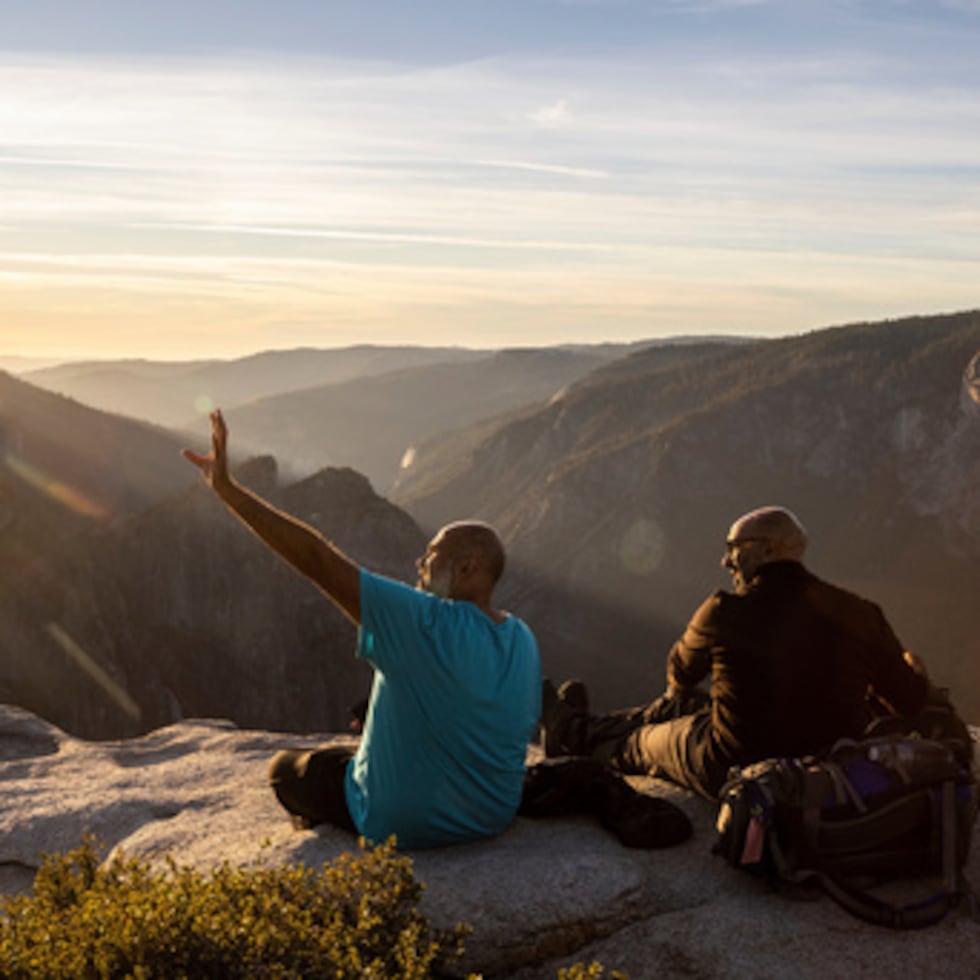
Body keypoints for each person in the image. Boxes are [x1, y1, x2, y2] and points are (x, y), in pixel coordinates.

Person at [183, 409, 541, 848]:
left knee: (287, 770)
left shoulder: (423, 622)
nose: (420, 563)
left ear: (467, 568)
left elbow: (316, 559)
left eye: (432, 555)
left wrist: (228, 491)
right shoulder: (521, 638)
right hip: (493, 816)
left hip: (399, 822)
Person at [541, 506, 930, 800]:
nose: (725, 561)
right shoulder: (861, 613)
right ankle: (578, 725)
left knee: (643, 742)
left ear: (767, 549)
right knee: (686, 706)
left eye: (733, 548)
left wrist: (686, 698)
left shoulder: (723, 610)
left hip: (732, 763)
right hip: (831, 765)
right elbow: (910, 700)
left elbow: (680, 673)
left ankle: (575, 735)